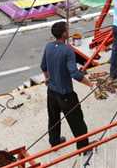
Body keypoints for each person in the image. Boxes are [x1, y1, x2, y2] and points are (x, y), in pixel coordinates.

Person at [40, 21, 93, 149]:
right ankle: (83, 148)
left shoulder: (48, 46)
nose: (68, 31)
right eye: (67, 29)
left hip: (51, 92)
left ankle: (54, 141)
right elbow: (74, 73)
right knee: (77, 122)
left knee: (53, 118)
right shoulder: (68, 50)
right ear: (64, 34)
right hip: (66, 95)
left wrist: (47, 78)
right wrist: (89, 83)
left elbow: (43, 66)